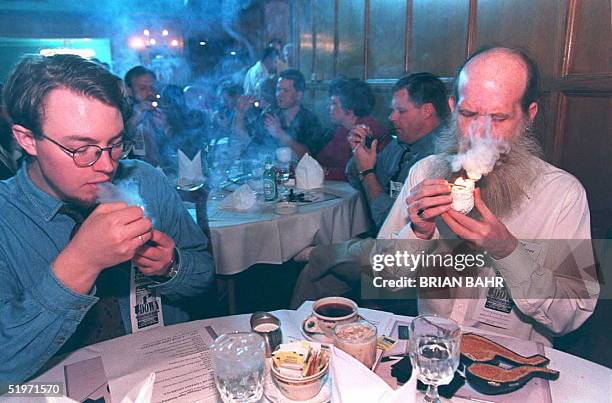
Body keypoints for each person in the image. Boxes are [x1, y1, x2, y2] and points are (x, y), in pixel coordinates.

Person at [0, 54, 214, 383]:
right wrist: (82, 262)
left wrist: (171, 266)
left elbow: (204, 276)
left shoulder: (145, 180)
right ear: (27, 139)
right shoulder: (6, 218)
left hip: (161, 371)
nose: (106, 165)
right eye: (81, 148)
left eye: (114, 144)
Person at [377, 46, 599, 344]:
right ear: (454, 108)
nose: (480, 133)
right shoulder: (425, 172)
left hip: (513, 367)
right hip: (430, 354)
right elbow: (383, 276)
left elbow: (572, 313)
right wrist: (418, 232)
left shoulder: (562, 195)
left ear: (528, 115)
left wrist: (508, 250)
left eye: (498, 118)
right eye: (469, 114)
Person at [290, 72, 448, 307]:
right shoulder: (399, 144)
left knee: (324, 258)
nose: (392, 117)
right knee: (317, 274)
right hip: (381, 242)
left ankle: (318, 253)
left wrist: (368, 173)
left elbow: (389, 222)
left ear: (427, 111)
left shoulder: (440, 160)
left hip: (413, 258)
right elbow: (357, 182)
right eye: (393, 110)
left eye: (401, 111)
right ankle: (301, 337)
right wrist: (358, 156)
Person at [316, 78, 389, 181]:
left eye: (334, 103)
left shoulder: (369, 130)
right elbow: (322, 160)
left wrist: (325, 172)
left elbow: (357, 174)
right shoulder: (343, 129)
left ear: (349, 108)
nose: (328, 108)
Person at [264, 69, 325, 158]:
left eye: (285, 91)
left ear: (299, 95)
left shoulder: (310, 121)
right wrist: (240, 114)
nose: (279, 95)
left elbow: (309, 157)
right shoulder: (272, 115)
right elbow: (251, 146)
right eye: (278, 89)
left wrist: (280, 134)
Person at [124, 65, 170, 166]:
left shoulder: (164, 111)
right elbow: (118, 149)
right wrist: (132, 122)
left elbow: (179, 145)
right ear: (129, 91)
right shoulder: (121, 115)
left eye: (153, 87)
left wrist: (166, 129)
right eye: (142, 88)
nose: (150, 93)